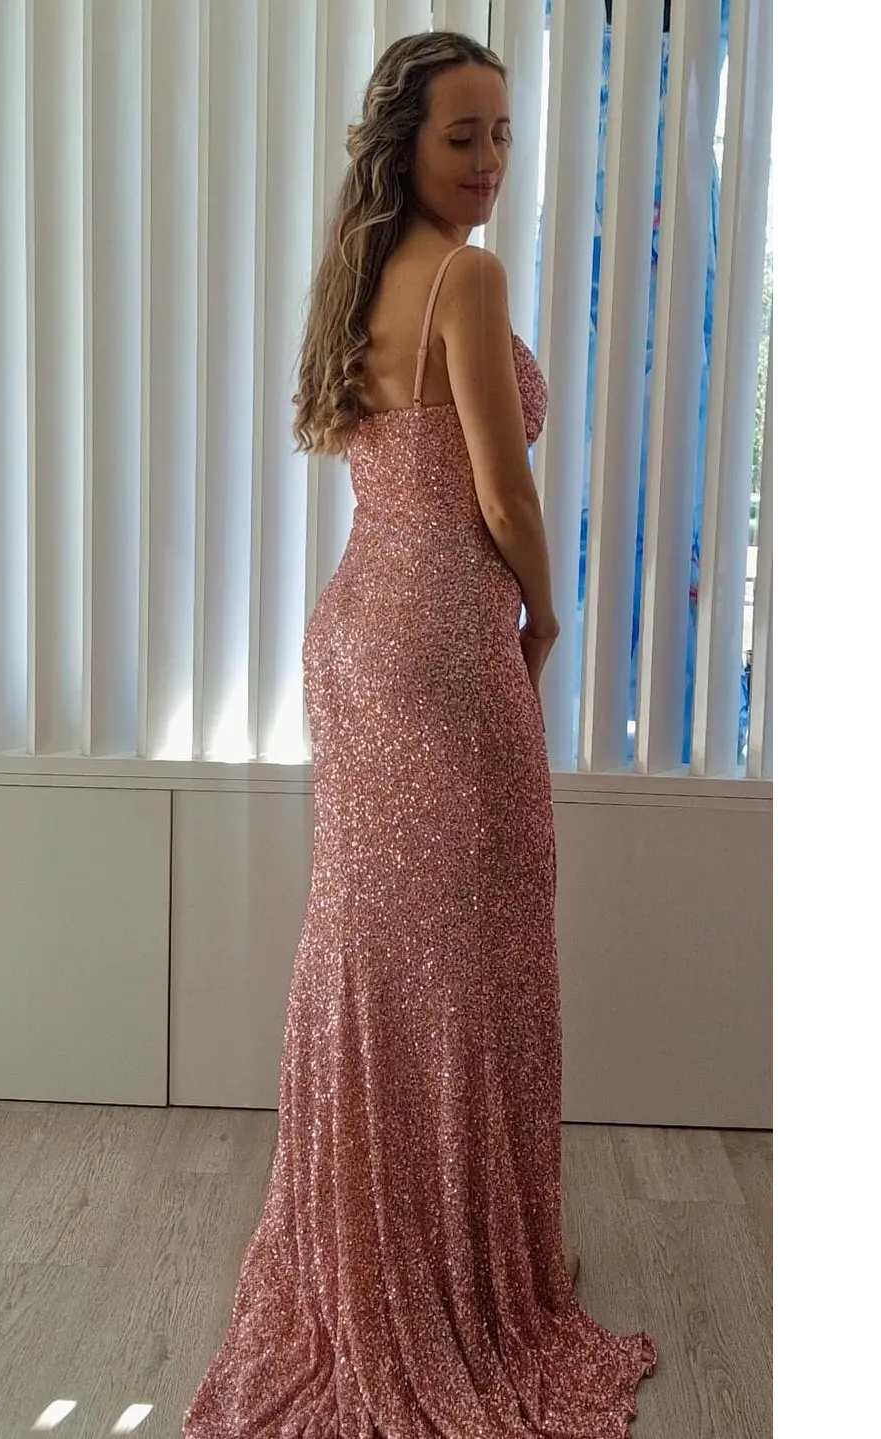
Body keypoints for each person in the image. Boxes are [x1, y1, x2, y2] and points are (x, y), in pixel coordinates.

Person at [183, 30, 655, 1438]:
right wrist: (546, 615)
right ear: (405, 143)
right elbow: (503, 497)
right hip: (442, 638)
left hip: (355, 628)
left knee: (380, 947)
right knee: (470, 957)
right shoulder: (467, 276)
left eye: (502, 132)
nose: (490, 159)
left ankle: (385, 1252)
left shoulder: (361, 267)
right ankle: (456, 1275)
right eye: (464, 135)